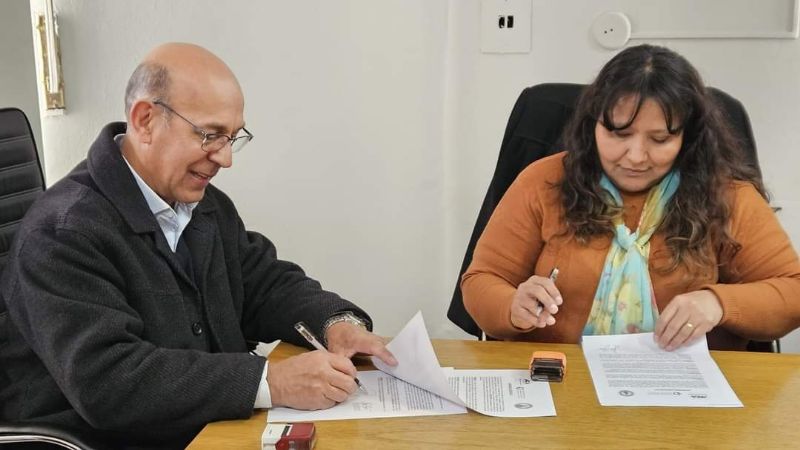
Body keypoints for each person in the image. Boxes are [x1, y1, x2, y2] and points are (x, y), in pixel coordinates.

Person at [0, 42, 396, 448]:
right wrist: (270, 382)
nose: (226, 159)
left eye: (232, 137)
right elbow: (109, 381)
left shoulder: (203, 205)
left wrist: (335, 324)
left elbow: (262, 284)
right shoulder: (63, 233)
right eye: (210, 135)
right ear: (145, 121)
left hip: (208, 430)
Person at [462, 44, 800, 351]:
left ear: (688, 138)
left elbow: (793, 292)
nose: (636, 156)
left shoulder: (726, 196)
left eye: (660, 139)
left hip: (688, 392)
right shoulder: (544, 182)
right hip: (561, 382)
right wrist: (513, 305)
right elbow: (482, 281)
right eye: (619, 133)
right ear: (592, 125)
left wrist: (718, 303)